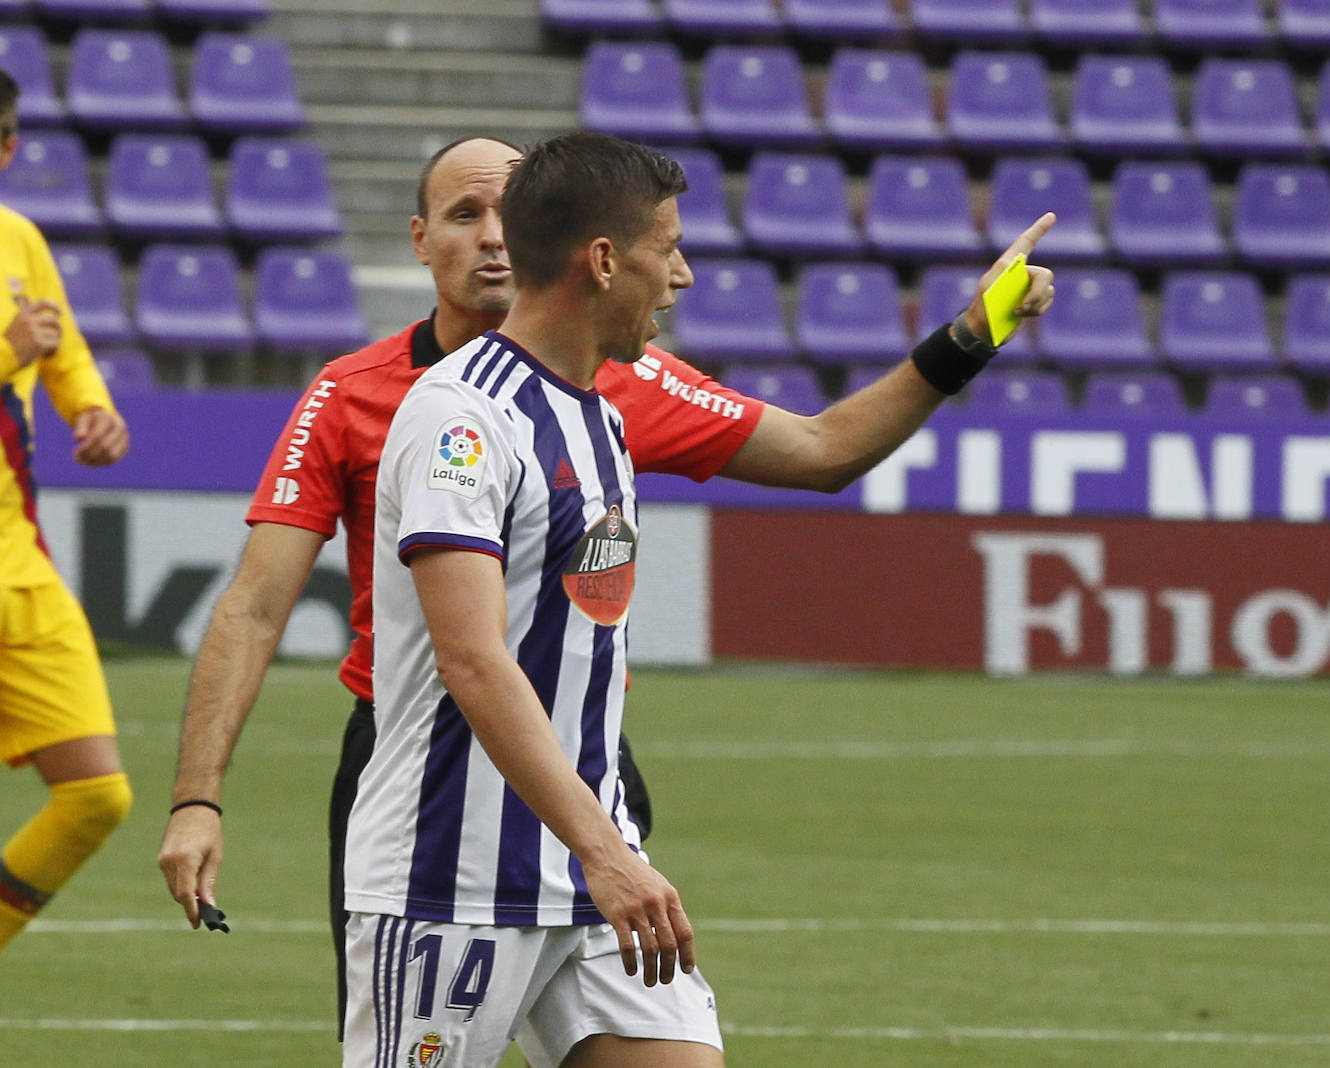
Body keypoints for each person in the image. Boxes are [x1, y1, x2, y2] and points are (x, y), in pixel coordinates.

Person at [157, 134, 1054, 1029]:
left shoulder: (628, 382)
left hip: (586, 784)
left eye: (509, 213)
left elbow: (823, 450)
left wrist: (971, 336)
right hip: (435, 785)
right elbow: (263, 603)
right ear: (421, 238)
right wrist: (198, 797)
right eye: (466, 216)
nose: (494, 238)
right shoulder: (383, 400)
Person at [346, 129, 712, 1067]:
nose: (681, 274)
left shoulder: (601, 416)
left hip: (590, 870)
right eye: (664, 247)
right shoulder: (461, 416)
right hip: (454, 877)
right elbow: (473, 658)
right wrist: (605, 850)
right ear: (601, 261)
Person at [0, 68, 132, 954]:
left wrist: (90, 405)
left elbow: (62, 347)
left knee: (97, 795)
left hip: (17, 560)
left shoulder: (19, 239)